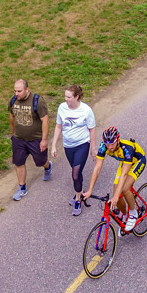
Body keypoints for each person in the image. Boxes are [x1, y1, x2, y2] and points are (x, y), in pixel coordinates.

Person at [82, 126, 147, 233]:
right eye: (107, 144)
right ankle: (125, 216)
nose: (110, 147)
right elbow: (97, 168)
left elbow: (124, 174)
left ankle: (133, 213)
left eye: (112, 144)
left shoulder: (127, 148)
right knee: (116, 194)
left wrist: (116, 196)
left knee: (125, 189)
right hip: (125, 162)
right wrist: (90, 190)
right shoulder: (103, 147)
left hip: (137, 161)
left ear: (118, 140)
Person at [50, 84, 97, 216]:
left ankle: (78, 199)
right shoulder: (62, 107)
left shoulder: (86, 110)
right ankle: (79, 192)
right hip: (68, 146)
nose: (66, 99)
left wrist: (93, 149)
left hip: (82, 145)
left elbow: (92, 129)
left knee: (75, 174)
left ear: (76, 97)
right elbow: (58, 126)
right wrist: (53, 145)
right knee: (77, 172)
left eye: (69, 97)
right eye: (65, 96)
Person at [9, 79, 51, 201]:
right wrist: (13, 133)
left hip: (35, 139)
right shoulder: (13, 100)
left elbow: (45, 120)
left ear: (27, 89)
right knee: (18, 163)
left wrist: (44, 140)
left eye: (19, 91)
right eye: (15, 91)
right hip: (19, 139)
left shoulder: (37, 101)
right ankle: (22, 188)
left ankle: (48, 166)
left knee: (40, 161)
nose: (16, 94)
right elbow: (11, 116)